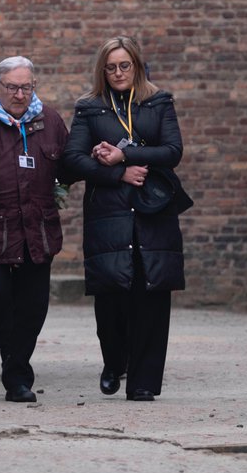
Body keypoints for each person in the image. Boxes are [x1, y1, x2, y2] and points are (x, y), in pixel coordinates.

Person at [62, 36, 189, 403]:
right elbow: (73, 158)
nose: (118, 73)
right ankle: (114, 360)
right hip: (109, 211)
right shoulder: (89, 108)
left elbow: (172, 151)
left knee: (152, 294)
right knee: (111, 297)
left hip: (153, 210)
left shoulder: (159, 102)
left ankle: (144, 382)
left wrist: (125, 155)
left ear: (136, 65)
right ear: (103, 70)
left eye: (124, 65)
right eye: (111, 67)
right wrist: (117, 174)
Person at [0, 56, 70, 403]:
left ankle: (17, 376)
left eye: (26, 87)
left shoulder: (49, 121)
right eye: (12, 87)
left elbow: (68, 165)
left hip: (36, 229)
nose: (20, 94)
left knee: (32, 307)